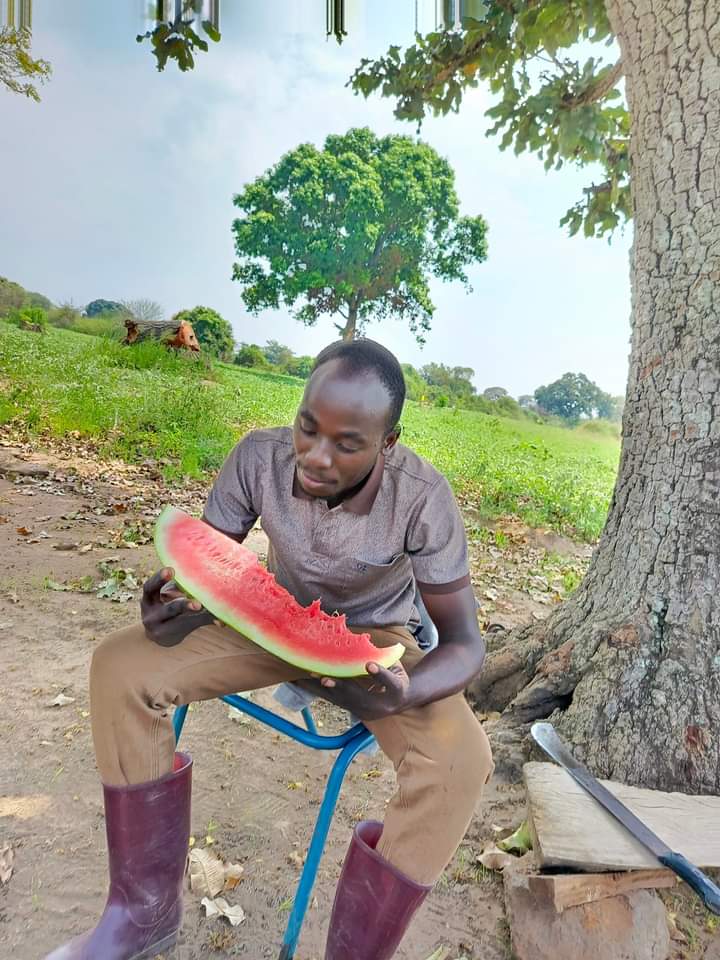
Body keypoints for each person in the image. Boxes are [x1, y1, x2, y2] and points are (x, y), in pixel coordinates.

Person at [46, 338, 493, 960]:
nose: (315, 456)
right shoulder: (256, 458)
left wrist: (408, 692)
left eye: (347, 443)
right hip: (264, 618)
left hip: (373, 647)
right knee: (119, 666)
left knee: (461, 762)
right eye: (307, 429)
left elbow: (466, 644)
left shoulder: (422, 496)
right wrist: (168, 618)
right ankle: (141, 916)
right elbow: (205, 570)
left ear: (387, 443)